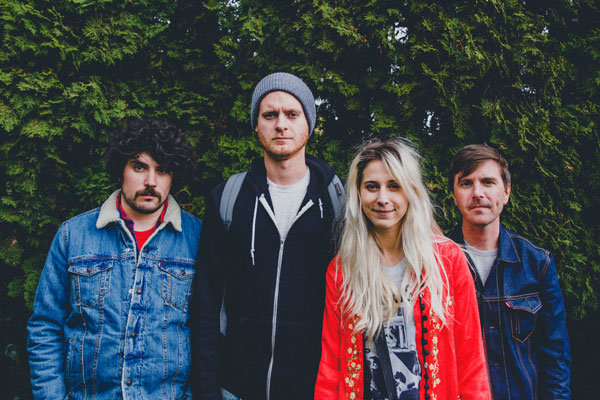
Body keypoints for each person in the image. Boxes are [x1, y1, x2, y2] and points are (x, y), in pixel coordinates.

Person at [27, 118, 214, 399]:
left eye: (162, 170)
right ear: (120, 171)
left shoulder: (198, 239)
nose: (151, 181)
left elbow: (210, 333)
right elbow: (45, 326)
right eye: (139, 167)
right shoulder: (73, 235)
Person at [192, 72, 344, 400]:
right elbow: (206, 303)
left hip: (313, 390)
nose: (281, 125)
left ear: (308, 124)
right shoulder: (228, 199)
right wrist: (207, 390)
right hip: (236, 388)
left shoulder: (338, 202)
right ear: (256, 126)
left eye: (292, 114)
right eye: (270, 115)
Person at [315, 138, 491, 400]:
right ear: (358, 193)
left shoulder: (447, 261)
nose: (382, 198)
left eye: (394, 186)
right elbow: (331, 366)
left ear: (410, 191)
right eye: (372, 187)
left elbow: (471, 363)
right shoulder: (343, 270)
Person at [448, 144, 571, 399]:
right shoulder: (435, 262)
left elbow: (555, 358)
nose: (477, 193)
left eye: (488, 182)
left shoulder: (537, 263)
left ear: (506, 192)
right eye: (466, 183)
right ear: (454, 195)